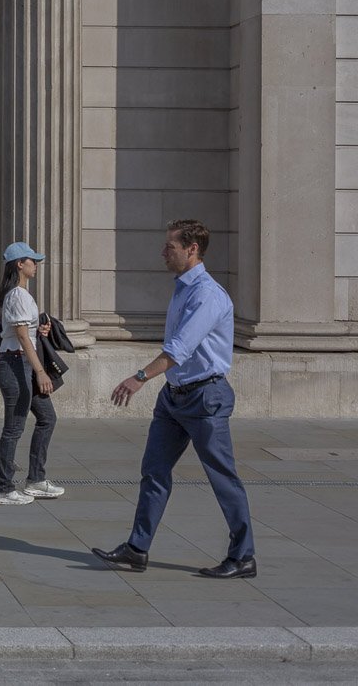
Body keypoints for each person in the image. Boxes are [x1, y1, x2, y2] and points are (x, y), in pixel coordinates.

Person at [93, 220, 256, 579]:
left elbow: (179, 349)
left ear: (192, 249)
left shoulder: (207, 295)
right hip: (174, 397)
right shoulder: (182, 289)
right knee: (154, 472)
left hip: (205, 397)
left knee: (222, 477)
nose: (163, 253)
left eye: (170, 247)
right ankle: (137, 548)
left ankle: (243, 556)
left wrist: (138, 378)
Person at [0, 242, 63, 505]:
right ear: (20, 264)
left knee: (47, 418)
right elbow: (20, 335)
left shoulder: (21, 294)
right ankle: (4, 487)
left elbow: (25, 332)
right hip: (15, 365)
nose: (36, 264)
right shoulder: (17, 295)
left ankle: (35, 479)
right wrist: (41, 372)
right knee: (13, 428)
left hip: (21, 363)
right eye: (32, 260)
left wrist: (39, 332)